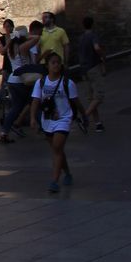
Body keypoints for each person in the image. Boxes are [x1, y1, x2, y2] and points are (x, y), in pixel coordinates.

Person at [30, 49, 85, 194]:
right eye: (52, 63)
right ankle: (67, 172)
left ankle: (54, 181)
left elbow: (76, 101)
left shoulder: (68, 83)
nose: (56, 65)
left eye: (58, 63)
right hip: (47, 120)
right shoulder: (41, 82)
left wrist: (84, 115)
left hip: (63, 119)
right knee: (57, 150)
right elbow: (35, 101)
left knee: (57, 146)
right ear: (47, 65)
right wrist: (32, 118)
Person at [0, 28, 35, 141]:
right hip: (22, 80)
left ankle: (5, 131)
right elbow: (38, 38)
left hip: (13, 79)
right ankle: (44, 127)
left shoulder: (11, 48)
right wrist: (27, 36)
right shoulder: (22, 48)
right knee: (33, 101)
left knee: (17, 107)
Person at [76, 15, 106, 132]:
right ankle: (85, 118)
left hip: (84, 69)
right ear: (92, 24)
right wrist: (102, 56)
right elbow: (97, 47)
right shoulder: (93, 36)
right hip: (93, 67)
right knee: (98, 96)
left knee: (91, 98)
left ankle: (98, 123)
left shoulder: (81, 38)